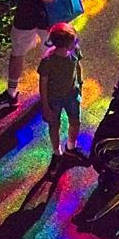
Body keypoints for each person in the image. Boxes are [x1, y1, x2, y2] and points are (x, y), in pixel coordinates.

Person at [38, 23, 85, 165]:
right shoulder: (48, 61)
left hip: (72, 94)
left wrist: (80, 83)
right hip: (54, 99)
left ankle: (71, 147)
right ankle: (57, 153)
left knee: (75, 121)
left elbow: (77, 65)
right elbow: (43, 84)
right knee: (54, 125)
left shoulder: (75, 50)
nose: (77, 42)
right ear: (64, 45)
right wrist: (45, 106)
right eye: (74, 40)